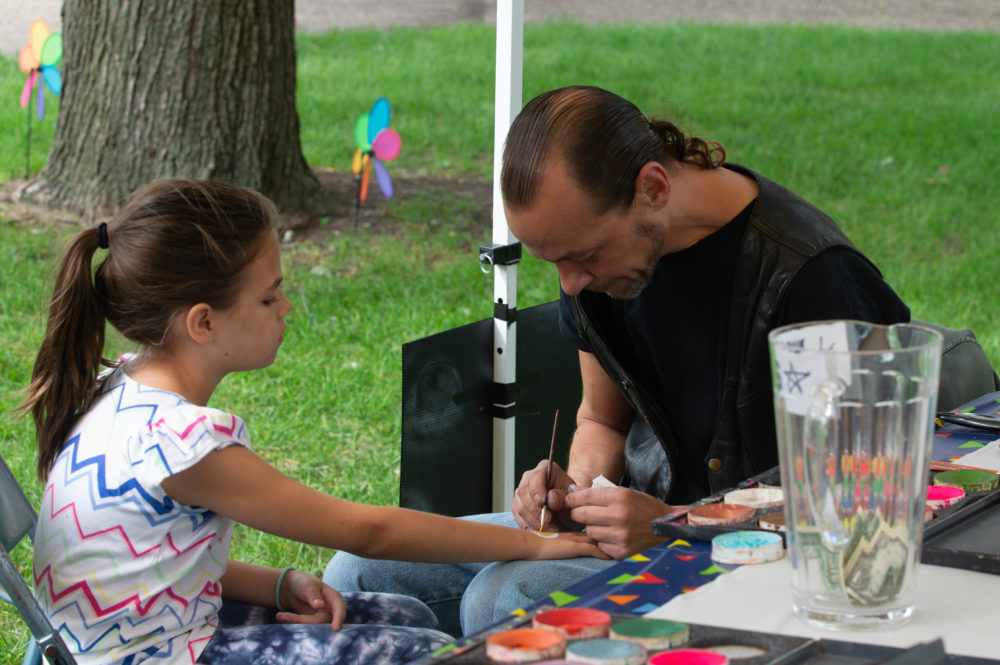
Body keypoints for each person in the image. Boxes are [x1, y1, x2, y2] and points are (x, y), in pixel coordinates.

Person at [323, 85, 912, 636]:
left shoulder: (811, 278)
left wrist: (672, 524)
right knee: (360, 573)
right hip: (643, 530)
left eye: (582, 255)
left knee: (503, 600)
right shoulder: (597, 265)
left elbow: (863, 496)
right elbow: (602, 420)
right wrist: (575, 494)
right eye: (553, 261)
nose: (570, 284)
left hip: (763, 558)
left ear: (652, 188)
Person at [18, 179, 605, 665]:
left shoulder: (117, 389)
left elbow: (154, 572)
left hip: (134, 641)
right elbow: (369, 533)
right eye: (269, 297)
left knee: (408, 614)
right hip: (162, 654)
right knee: (429, 652)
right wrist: (530, 545)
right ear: (203, 323)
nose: (287, 307)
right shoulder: (181, 443)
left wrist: (278, 584)